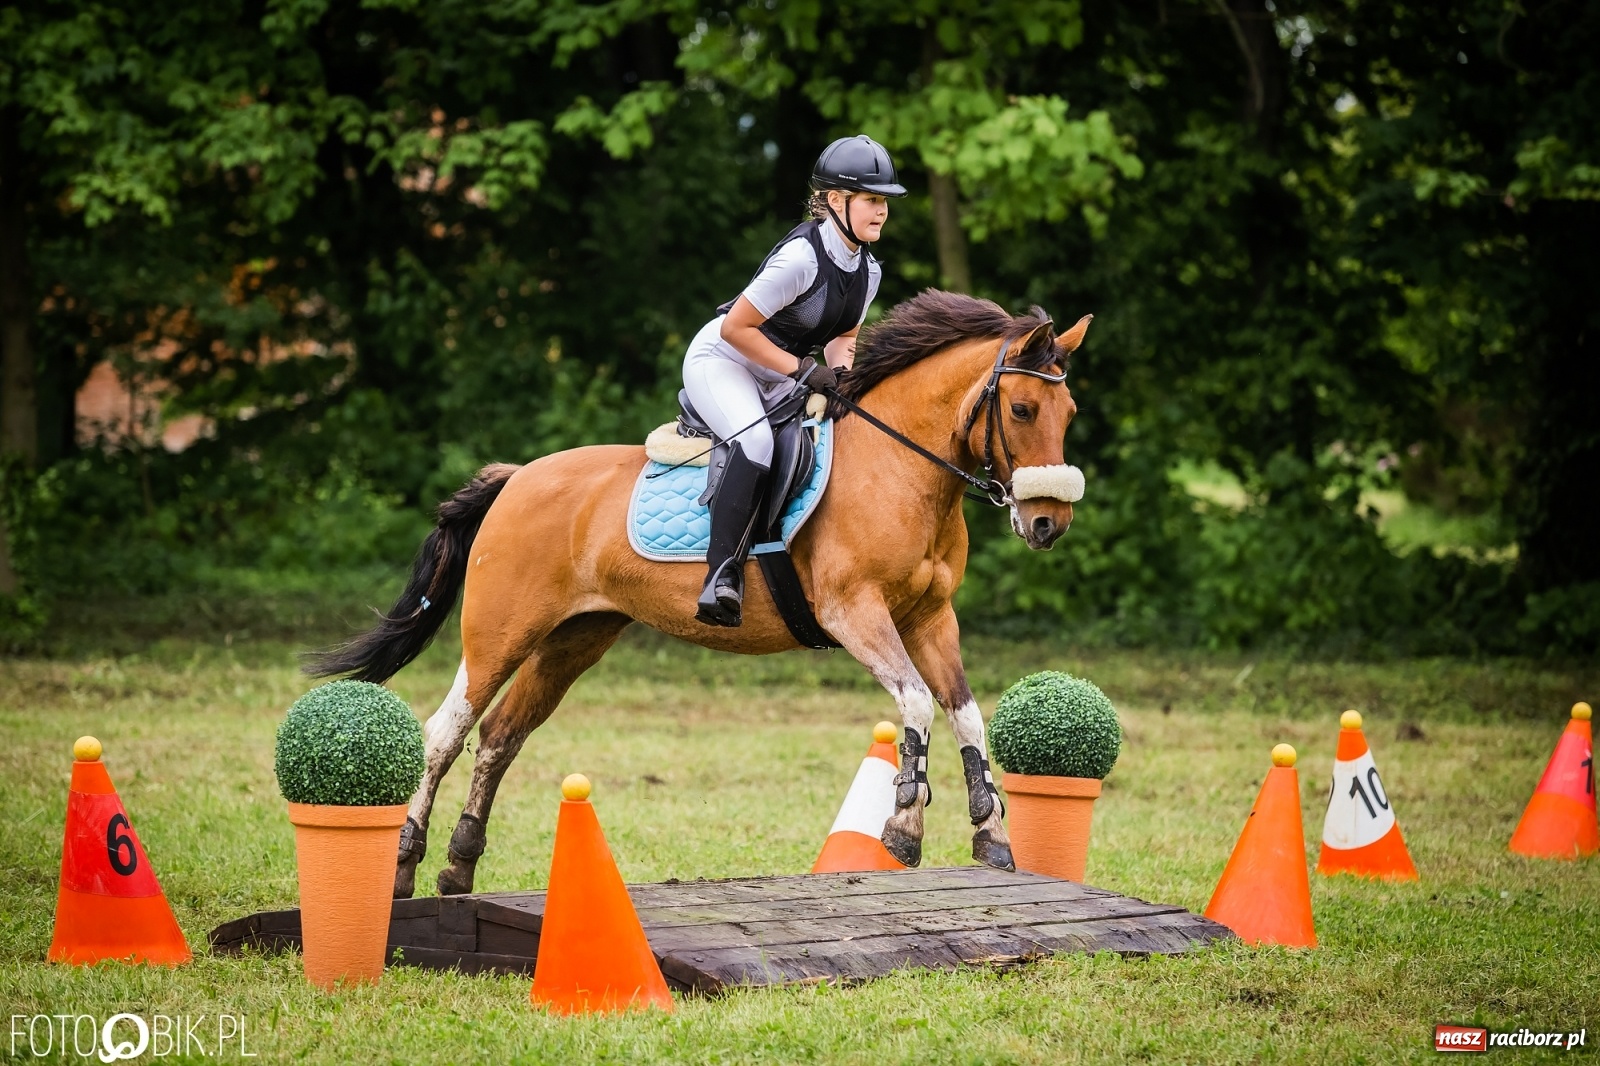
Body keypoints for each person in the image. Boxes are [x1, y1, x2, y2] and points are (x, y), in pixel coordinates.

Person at [684, 134, 906, 628]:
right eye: (872, 199)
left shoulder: (867, 271)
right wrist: (805, 371)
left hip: (776, 369)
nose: (882, 211)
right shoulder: (802, 258)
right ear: (835, 201)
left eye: (885, 201)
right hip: (722, 359)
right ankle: (720, 577)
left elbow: (843, 335)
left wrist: (843, 377)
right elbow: (735, 328)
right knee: (758, 441)